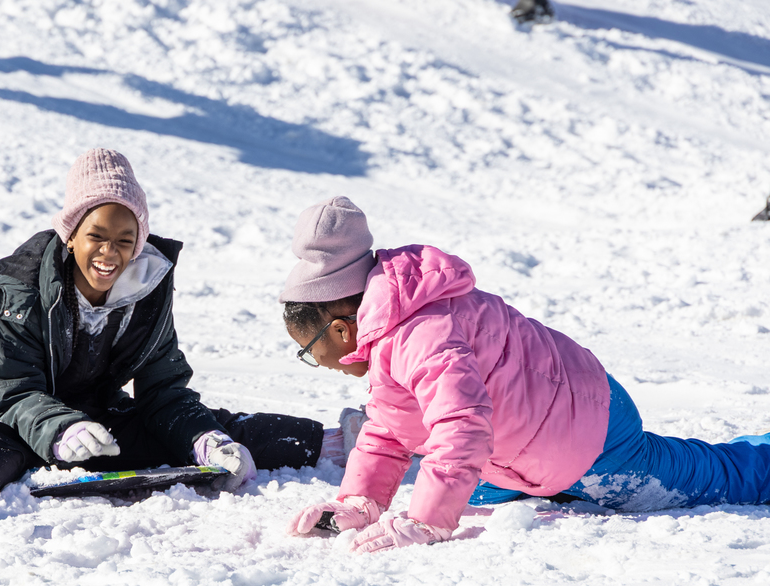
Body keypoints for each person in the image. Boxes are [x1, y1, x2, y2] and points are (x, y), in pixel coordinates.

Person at [0, 149, 323, 527]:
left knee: (189, 427)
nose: (111, 252)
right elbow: (13, 387)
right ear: (71, 234)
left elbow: (163, 387)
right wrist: (59, 429)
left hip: (92, 415)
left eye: (125, 240)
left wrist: (204, 440)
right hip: (5, 405)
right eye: (97, 236)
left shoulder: (145, 288)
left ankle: (343, 441)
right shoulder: (20, 289)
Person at [280, 196, 770, 554]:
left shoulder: (419, 333)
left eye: (309, 350)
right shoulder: (390, 327)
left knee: (712, 479)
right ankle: (537, 483)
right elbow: (389, 429)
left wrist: (426, 523)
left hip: (586, 430)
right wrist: (359, 503)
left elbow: (461, 427)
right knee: (470, 490)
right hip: (517, 448)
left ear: (341, 329)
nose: (317, 362)